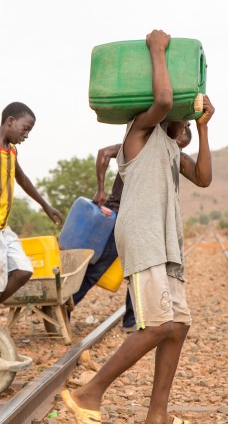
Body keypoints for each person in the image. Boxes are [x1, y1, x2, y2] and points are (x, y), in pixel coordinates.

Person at [62, 29, 214, 424]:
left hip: (166, 243)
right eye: (182, 121)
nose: (184, 125)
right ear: (166, 119)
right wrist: (157, 49)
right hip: (144, 237)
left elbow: (204, 177)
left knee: (179, 326)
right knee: (159, 324)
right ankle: (87, 393)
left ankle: (157, 415)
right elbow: (163, 99)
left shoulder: (170, 149)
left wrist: (204, 128)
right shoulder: (139, 134)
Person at [73, 119, 209, 332]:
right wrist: (101, 189)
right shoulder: (144, 145)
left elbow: (203, 178)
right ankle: (68, 303)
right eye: (177, 139)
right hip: (120, 215)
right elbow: (103, 153)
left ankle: (131, 320)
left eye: (181, 146)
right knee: (99, 267)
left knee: (143, 268)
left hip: (147, 222)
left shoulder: (175, 156)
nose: (177, 148)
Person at [0, 102, 63, 320]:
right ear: (10, 121)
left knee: (23, 271)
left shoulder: (11, 150)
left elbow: (23, 179)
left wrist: (46, 205)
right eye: (25, 128)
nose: (26, 135)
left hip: (1, 226)